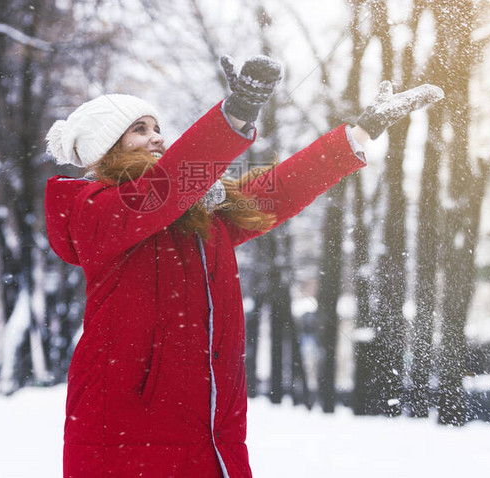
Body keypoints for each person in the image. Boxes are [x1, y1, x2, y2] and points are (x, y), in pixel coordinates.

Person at [44, 55, 443, 478]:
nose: (156, 137)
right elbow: (163, 190)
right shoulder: (95, 211)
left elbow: (280, 190)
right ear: (104, 148)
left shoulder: (198, 210)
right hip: (127, 424)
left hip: (207, 424)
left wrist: (360, 132)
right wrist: (233, 116)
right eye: (139, 130)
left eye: (157, 127)